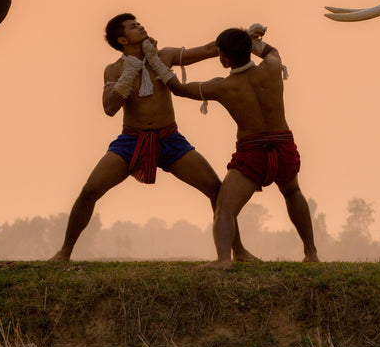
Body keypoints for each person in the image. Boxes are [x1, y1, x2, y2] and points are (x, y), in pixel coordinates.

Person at [50, 13, 255, 263]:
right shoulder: (114, 69)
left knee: (215, 189)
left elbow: (209, 49)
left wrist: (246, 37)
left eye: (139, 23)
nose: (140, 26)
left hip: (169, 138)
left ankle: (239, 251)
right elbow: (109, 108)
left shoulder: (164, 56)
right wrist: (128, 75)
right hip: (131, 140)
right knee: (90, 190)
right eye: (133, 26)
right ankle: (64, 253)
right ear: (123, 40)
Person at [156, 25, 319, 269]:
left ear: (224, 59)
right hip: (283, 145)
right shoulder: (272, 68)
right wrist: (253, 41)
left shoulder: (221, 87)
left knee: (224, 208)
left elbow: (178, 89)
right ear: (249, 50)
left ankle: (224, 259)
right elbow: (272, 50)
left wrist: (157, 64)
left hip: (252, 152)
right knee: (293, 192)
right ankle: (311, 253)